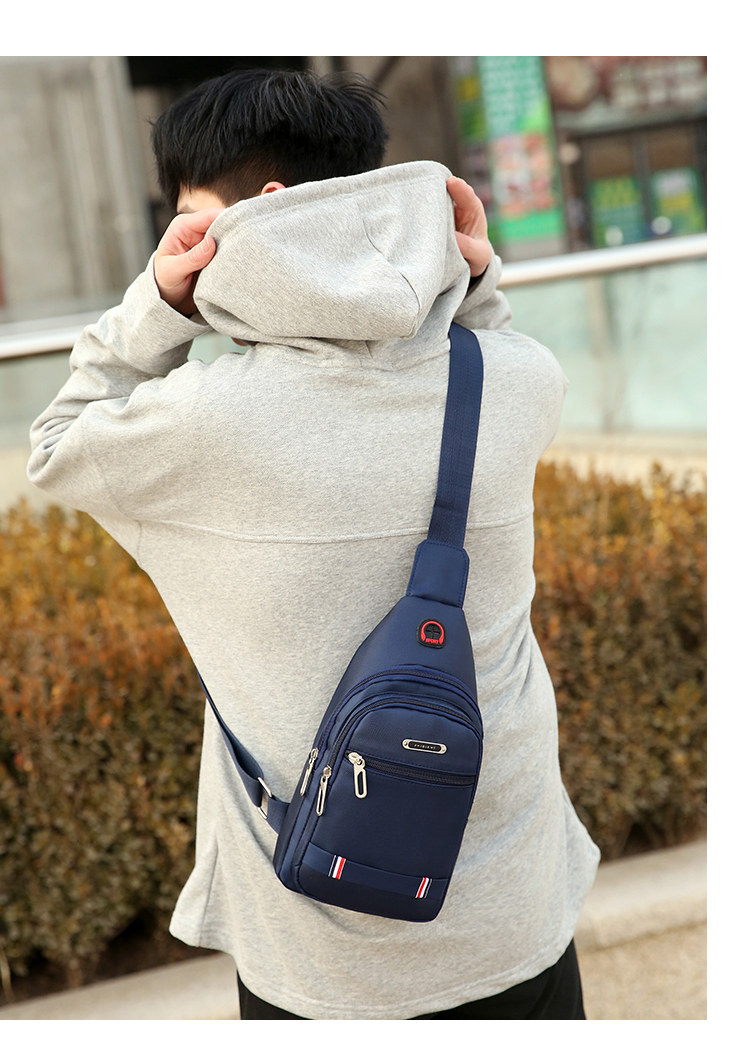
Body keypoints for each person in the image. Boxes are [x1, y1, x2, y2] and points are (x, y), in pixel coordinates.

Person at [27, 67, 600, 1020]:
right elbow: (486, 344)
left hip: (319, 958)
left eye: (191, 224)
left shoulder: (202, 426)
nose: (186, 248)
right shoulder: (518, 382)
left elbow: (53, 443)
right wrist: (473, 278)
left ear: (264, 210)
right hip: (514, 918)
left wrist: (160, 303)